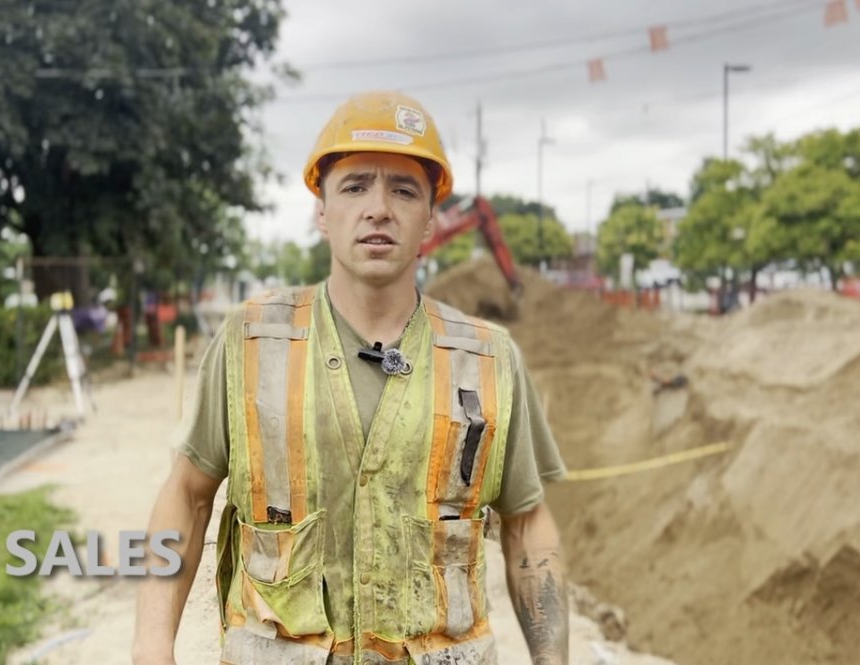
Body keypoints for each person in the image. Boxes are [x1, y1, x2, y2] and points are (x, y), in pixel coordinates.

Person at [133, 91, 569, 665]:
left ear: (431, 215)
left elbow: (527, 524)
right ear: (322, 209)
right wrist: (151, 646)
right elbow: (186, 497)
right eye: (356, 185)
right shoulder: (251, 343)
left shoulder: (488, 359)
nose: (379, 208)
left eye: (404, 190)